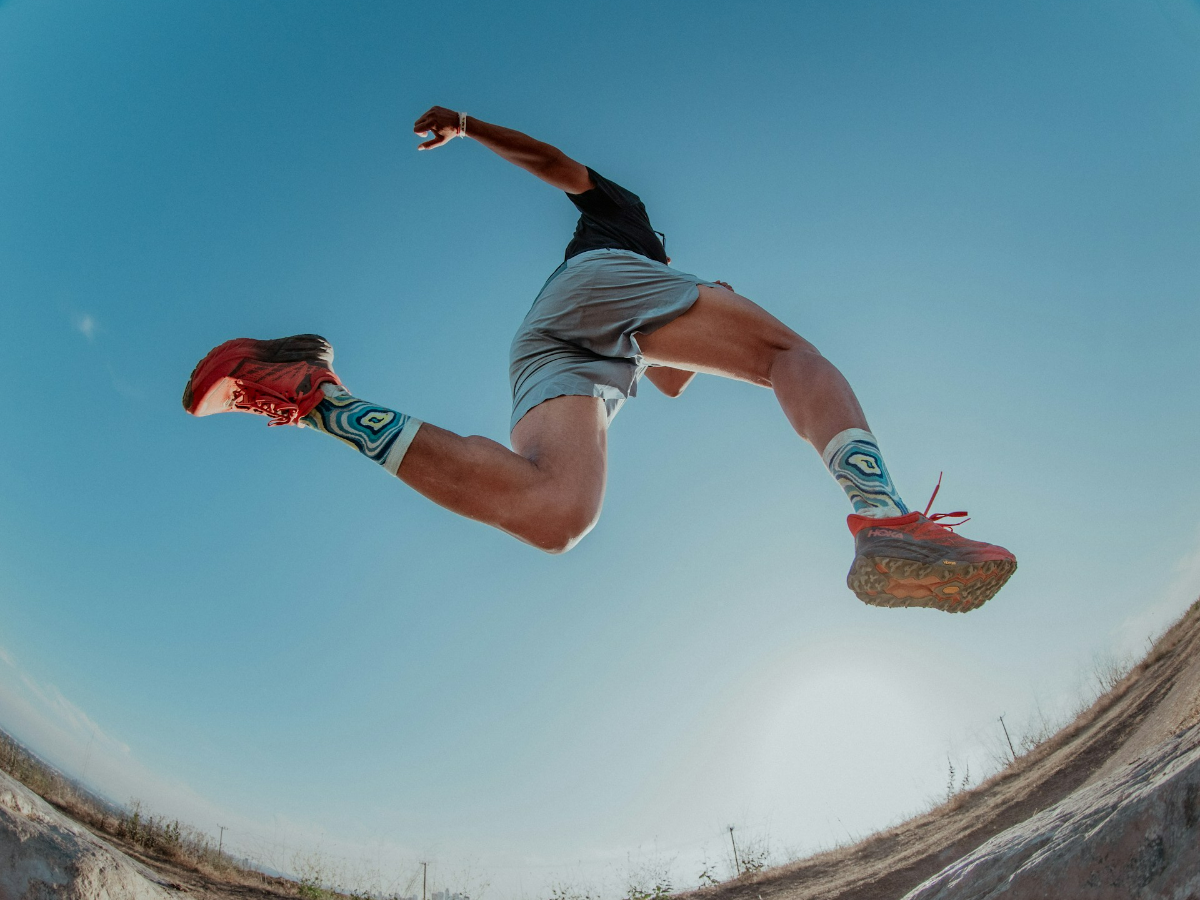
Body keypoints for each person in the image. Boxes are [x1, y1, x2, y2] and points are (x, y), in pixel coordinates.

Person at [182, 106, 1015, 612]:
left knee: (556, 515)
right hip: (594, 296)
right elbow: (556, 166)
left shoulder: (653, 304)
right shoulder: (629, 223)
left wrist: (704, 319)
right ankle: (882, 514)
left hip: (563, 348)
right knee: (787, 354)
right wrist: (469, 127)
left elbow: (676, 373)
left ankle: (311, 389)